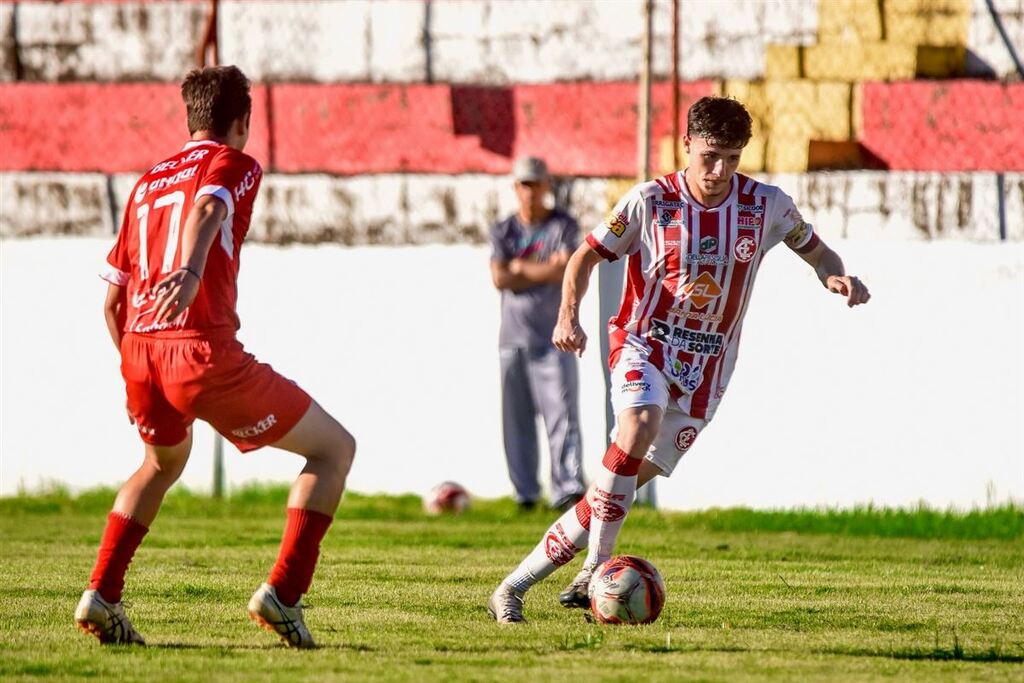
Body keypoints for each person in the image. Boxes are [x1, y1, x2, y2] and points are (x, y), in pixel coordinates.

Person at [487, 96, 870, 623]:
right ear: (687, 144)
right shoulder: (650, 200)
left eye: (732, 158)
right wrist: (568, 316)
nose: (719, 171)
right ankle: (596, 567)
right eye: (710, 155)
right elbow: (585, 256)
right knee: (637, 423)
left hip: (707, 372)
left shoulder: (767, 206)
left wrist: (834, 274)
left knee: (608, 492)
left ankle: (511, 588)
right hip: (643, 343)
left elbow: (817, 250)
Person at [74, 65, 356, 648]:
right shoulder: (233, 161)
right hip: (199, 349)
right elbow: (208, 210)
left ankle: (101, 595)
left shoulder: (147, 182)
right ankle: (284, 593)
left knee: (159, 465)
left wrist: (135, 370)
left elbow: (111, 301)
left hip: (139, 350)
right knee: (334, 450)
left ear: (190, 116)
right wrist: (192, 268)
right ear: (242, 121)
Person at [489, 156, 587, 513]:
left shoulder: (562, 225)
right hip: (512, 338)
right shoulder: (503, 230)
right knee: (515, 420)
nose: (530, 192)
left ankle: (567, 487)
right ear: (516, 188)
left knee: (561, 413)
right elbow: (500, 277)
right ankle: (525, 493)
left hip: (553, 337)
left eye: (536, 184)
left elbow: (565, 269)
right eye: (524, 184)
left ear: (547, 186)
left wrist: (520, 268)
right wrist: (541, 269)